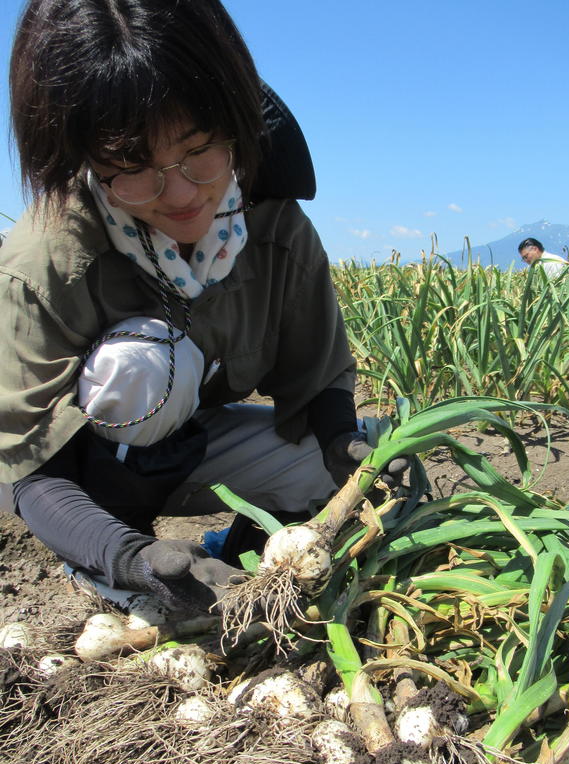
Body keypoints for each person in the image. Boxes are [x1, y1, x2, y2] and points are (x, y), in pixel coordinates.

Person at [0, 0, 399, 617]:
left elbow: (318, 382)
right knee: (142, 363)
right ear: (89, 161)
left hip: (198, 445)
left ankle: (241, 556)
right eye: (133, 168)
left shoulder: (276, 228)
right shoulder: (49, 257)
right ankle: (109, 564)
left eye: (198, 151)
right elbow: (23, 469)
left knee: (366, 457)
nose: (182, 194)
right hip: (91, 482)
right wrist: (126, 553)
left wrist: (346, 442)